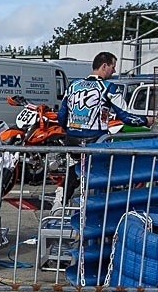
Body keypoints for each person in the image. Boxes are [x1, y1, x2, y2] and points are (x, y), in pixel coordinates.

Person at [56, 51, 152, 206]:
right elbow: (126, 117)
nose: (114, 71)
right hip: (96, 140)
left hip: (72, 140)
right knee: (107, 171)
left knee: (77, 169)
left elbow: (61, 116)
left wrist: (70, 129)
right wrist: (146, 120)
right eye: (113, 67)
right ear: (105, 65)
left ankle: (60, 202)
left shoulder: (73, 85)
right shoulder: (109, 88)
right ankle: (101, 209)